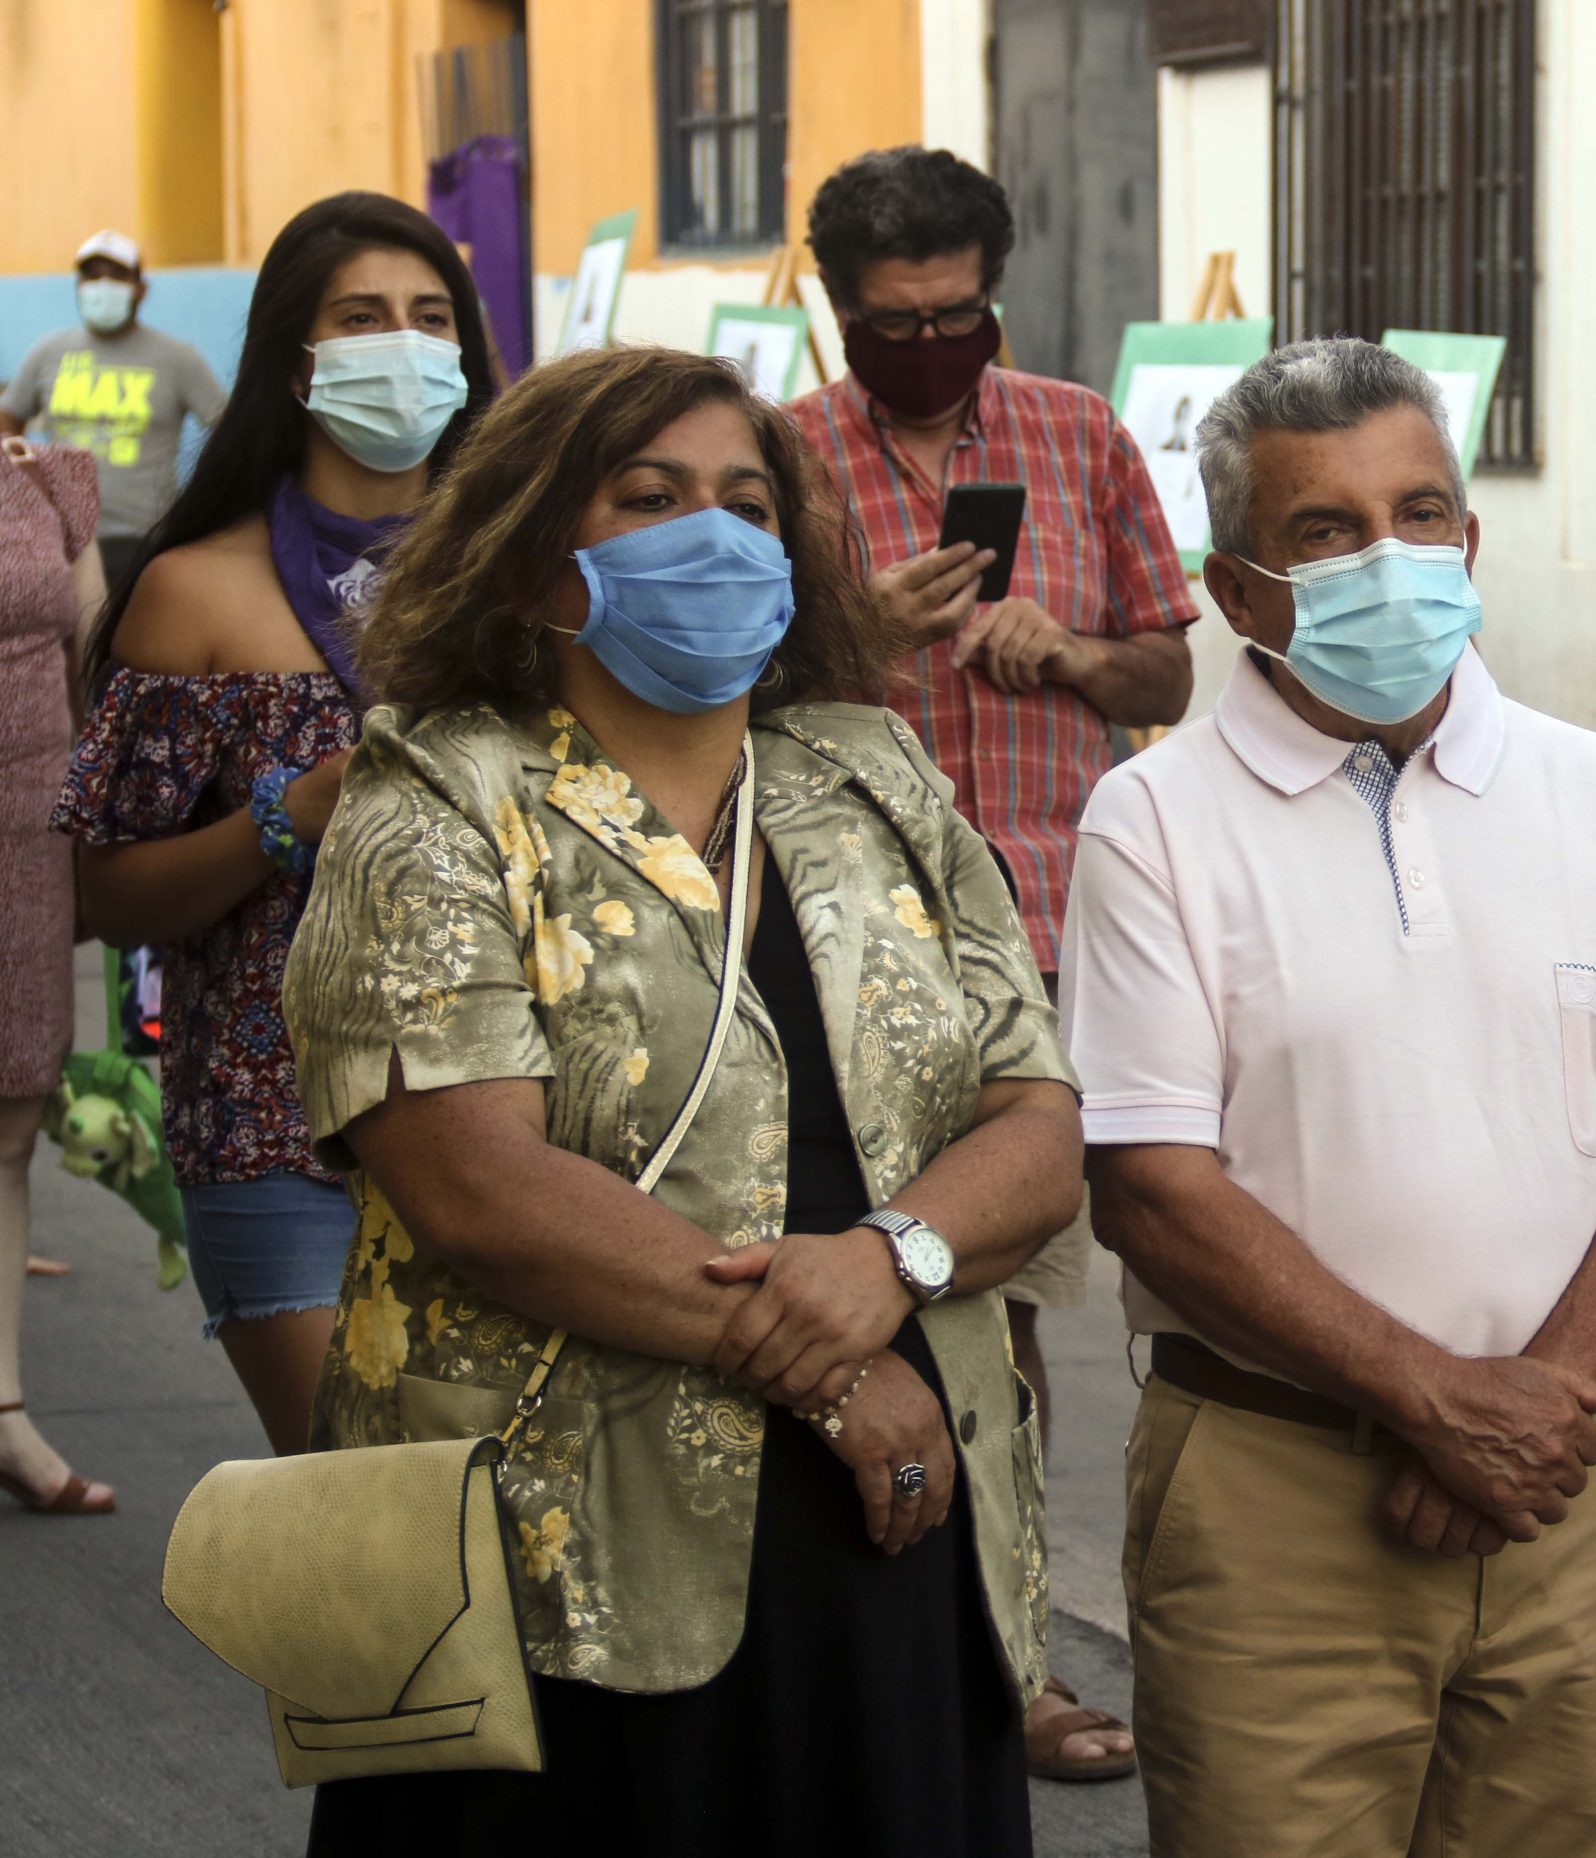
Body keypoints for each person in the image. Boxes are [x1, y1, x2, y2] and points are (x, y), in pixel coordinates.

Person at [285, 344, 1080, 1853]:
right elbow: (477, 1190)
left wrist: (891, 1261)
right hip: (553, 1546)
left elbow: (1037, 1123)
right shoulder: (435, 794)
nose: (710, 535)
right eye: (649, 498)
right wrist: (834, 1368)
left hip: (897, 1510)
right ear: (536, 562)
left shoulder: (871, 775)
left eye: (746, 504)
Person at [1064, 339, 1596, 1858]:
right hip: (1279, 1496)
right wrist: (1434, 1401)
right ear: (1237, 590)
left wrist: (1532, 1409)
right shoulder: (1152, 821)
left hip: (1561, 1478)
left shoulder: (1586, 787)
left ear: (1470, 537)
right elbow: (1152, 1193)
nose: (1391, 558)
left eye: (1420, 514)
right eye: (1328, 531)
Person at [789, 142, 1194, 1780]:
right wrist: (859, 636)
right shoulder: (781, 459)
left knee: (1004, 1317)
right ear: (842, 313)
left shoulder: (1081, 436)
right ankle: (963, 1658)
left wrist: (1074, 651)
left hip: (1054, 942)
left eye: (958, 314)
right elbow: (721, 687)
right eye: (896, 323)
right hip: (848, 951)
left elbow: (1167, 674)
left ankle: (991, 1652)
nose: (931, 345)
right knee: (917, 1310)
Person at [52, 193, 498, 1455]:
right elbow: (109, 895)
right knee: (364, 1507)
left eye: (430, 317)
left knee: (510, 1525)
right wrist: (287, 817)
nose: (402, 343)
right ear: (294, 362)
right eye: (361, 317)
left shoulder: (527, 586)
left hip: (519, 1121)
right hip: (276, 1125)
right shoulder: (195, 591)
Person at [0, 437, 111, 1515]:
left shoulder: (43, 478)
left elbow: (96, 658)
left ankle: (3, 1412)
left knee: (9, 1128)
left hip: (27, 830)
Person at [1, 230, 230, 593]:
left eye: (117, 276)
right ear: (78, 286)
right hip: (63, 541)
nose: (102, 286)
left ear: (141, 289)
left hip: (141, 541)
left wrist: (203, 509)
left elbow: (228, 431)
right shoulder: (48, 352)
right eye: (92, 276)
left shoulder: (177, 358)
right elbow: (9, 421)